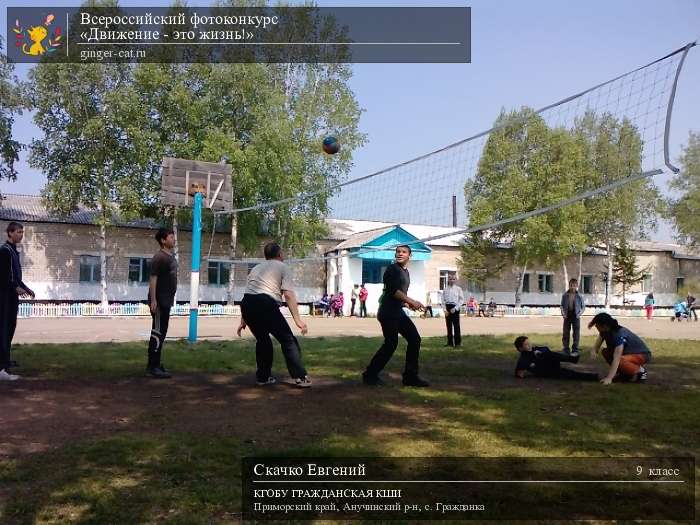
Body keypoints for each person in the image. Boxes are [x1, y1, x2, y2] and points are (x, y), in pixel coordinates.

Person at [237, 242, 311, 388]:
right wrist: (298, 320)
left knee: (263, 341)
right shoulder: (283, 267)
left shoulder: (256, 268)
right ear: (280, 254)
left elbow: (249, 293)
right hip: (265, 303)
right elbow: (288, 294)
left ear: (266, 256)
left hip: (247, 305)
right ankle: (300, 377)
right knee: (288, 340)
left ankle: (263, 377)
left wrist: (243, 320)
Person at [362, 245, 429, 387]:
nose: (400, 254)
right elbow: (394, 291)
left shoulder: (406, 272)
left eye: (403, 252)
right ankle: (370, 375)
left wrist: (408, 304)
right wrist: (412, 301)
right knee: (391, 343)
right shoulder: (392, 269)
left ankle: (410, 377)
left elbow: (399, 296)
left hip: (397, 311)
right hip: (388, 312)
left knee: (414, 339)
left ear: (409, 256)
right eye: (398, 252)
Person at [0, 222, 35, 381]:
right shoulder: (4, 251)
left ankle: (5, 361)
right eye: (18, 232)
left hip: (11, 296)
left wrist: (26, 288)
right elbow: (4, 276)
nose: (21, 234)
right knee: (3, 329)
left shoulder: (14, 251)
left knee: (10, 327)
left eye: (22, 232)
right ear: (9, 233)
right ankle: (1, 369)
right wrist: (15, 287)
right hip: (4, 297)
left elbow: (16, 276)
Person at [146, 228, 178, 379]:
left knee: (161, 333)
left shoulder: (170, 256)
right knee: (157, 334)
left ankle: (156, 364)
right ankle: (153, 367)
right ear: (163, 240)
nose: (174, 239)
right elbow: (153, 279)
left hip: (166, 301)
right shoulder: (159, 257)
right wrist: (153, 300)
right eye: (171, 237)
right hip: (159, 302)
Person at [588, 312, 651, 384]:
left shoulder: (619, 335)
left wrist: (609, 378)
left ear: (605, 326)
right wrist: (593, 351)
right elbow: (597, 346)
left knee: (619, 360)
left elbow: (617, 358)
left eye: (597, 325)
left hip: (642, 355)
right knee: (606, 352)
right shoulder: (605, 331)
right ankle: (625, 374)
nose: (595, 326)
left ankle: (641, 371)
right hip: (627, 355)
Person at [513, 336, 598, 381]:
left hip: (551, 363)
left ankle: (571, 359)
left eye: (529, 343)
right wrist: (530, 367)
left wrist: (540, 353)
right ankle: (594, 377)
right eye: (526, 344)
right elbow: (519, 373)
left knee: (548, 354)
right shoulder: (523, 359)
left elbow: (546, 349)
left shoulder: (535, 349)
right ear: (520, 348)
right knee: (571, 374)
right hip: (547, 371)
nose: (529, 345)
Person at [560, 278, 585, 356]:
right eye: (571, 285)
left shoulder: (579, 296)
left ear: (577, 286)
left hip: (576, 316)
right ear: (569, 285)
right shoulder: (565, 295)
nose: (572, 287)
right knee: (566, 333)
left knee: (576, 334)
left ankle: (575, 350)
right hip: (567, 316)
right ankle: (566, 349)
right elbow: (561, 305)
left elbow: (583, 306)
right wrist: (563, 313)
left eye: (574, 285)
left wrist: (579, 314)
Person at [441, 275, 464, 347]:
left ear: (455, 280)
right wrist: (445, 310)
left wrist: (456, 308)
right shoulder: (445, 289)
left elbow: (461, 300)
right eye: (450, 279)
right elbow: (443, 300)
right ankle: (450, 343)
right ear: (448, 280)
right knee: (449, 326)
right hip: (448, 308)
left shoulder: (458, 289)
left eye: (453, 279)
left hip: (455, 307)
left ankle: (457, 343)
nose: (452, 280)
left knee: (456, 326)